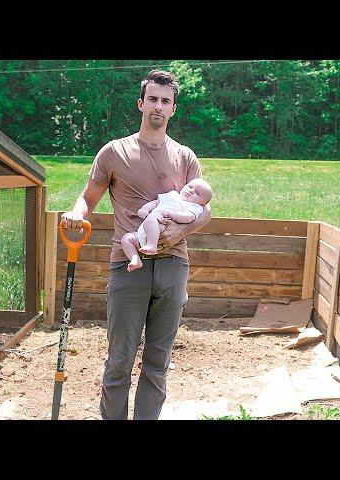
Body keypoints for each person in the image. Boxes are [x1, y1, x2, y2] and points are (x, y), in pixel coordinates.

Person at [61, 70, 212, 420]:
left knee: (158, 363)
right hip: (128, 266)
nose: (158, 107)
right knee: (120, 361)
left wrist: (178, 234)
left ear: (174, 109)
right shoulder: (115, 152)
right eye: (153, 99)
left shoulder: (186, 157)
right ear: (141, 104)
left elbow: (204, 213)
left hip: (173, 266)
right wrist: (74, 213)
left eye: (166, 101)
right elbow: (88, 198)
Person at [122, 178, 213, 272]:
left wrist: (172, 215)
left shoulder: (193, 207)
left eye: (197, 193)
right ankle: (135, 259)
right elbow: (156, 203)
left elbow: (188, 217)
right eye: (190, 186)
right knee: (126, 238)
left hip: (162, 228)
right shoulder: (172, 195)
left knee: (151, 220)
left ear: (202, 203)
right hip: (142, 233)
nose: (191, 191)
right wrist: (145, 208)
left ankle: (151, 245)